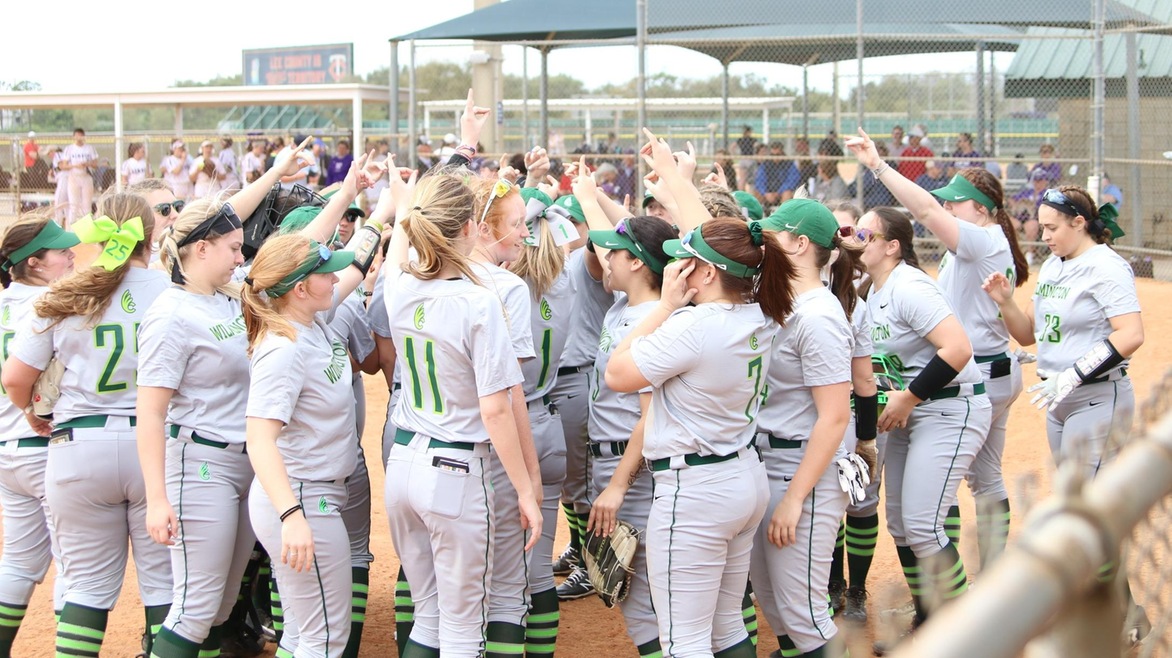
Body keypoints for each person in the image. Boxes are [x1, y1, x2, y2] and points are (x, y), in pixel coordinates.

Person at [605, 130, 796, 658]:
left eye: (686, 261)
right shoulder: (761, 309)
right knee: (726, 627)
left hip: (695, 493)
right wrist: (673, 178)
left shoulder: (691, 327)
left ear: (707, 272)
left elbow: (617, 374)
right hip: (741, 476)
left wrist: (664, 306)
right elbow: (718, 241)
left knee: (685, 639)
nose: (677, 266)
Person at [134, 141, 317, 658]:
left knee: (216, 608)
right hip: (200, 465)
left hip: (242, 467)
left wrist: (337, 191)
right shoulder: (170, 314)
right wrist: (157, 497)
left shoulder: (227, 293)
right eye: (234, 249)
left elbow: (294, 259)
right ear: (200, 249)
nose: (242, 256)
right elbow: (149, 413)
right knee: (194, 606)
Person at [849, 127, 1031, 571]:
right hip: (987, 366)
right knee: (978, 482)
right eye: (948, 201)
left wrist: (878, 165)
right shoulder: (971, 249)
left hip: (970, 373)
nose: (948, 207)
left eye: (958, 202)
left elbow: (924, 210)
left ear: (983, 210)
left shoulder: (983, 238)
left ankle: (970, 589)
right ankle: (981, 583)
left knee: (939, 494)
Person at [3, 193, 173, 657]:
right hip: (154, 448)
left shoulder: (65, 292)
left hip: (78, 444)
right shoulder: (170, 292)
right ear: (149, 236)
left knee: (85, 589)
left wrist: (35, 413)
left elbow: (15, 379)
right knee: (164, 584)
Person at [381, 170, 542, 658]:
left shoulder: (400, 286)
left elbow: (398, 248)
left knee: (427, 616)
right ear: (471, 227)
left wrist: (404, 202)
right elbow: (497, 409)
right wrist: (524, 488)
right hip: (456, 470)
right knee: (462, 626)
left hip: (403, 461)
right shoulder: (480, 301)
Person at [239, 146, 381, 656]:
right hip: (302, 498)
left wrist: (357, 196)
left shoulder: (310, 318)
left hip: (313, 494)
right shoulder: (283, 348)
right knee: (324, 637)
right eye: (325, 272)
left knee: (304, 634)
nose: (334, 275)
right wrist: (291, 515)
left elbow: (354, 265)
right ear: (300, 289)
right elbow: (260, 440)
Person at [850, 205, 992, 654]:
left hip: (950, 409)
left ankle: (965, 632)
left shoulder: (910, 285)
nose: (856, 240)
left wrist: (909, 396)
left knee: (924, 525)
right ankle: (930, 619)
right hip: (915, 412)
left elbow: (959, 347)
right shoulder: (874, 289)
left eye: (864, 235)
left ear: (892, 246)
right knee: (903, 527)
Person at [749, 199, 866, 658]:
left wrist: (796, 497)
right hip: (772, 461)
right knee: (777, 606)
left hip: (802, 471)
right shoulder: (786, 298)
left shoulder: (818, 315)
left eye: (774, 235)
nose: (764, 242)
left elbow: (835, 416)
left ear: (800, 245)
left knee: (804, 612)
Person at [983, 186, 1142, 478]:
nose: (1044, 236)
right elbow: (1028, 333)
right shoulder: (1053, 265)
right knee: (1075, 498)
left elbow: (1131, 334)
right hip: (1057, 399)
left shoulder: (1106, 267)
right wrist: (1005, 302)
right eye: (1042, 227)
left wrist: (1073, 375)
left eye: (1052, 228)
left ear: (1079, 223)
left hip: (1097, 396)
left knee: (1082, 500)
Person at [576, 205, 676, 657]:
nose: (605, 258)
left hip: (634, 473)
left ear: (637, 262)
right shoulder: (622, 305)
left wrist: (618, 485)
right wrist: (585, 190)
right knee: (641, 597)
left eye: (616, 252)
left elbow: (650, 415)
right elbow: (600, 248)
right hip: (609, 462)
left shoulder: (650, 320)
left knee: (642, 599)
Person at [0, 215, 79, 655]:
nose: (71, 256)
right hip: (45, 443)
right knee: (77, 564)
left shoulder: (4, 302)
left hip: (7, 453)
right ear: (34, 263)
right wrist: (30, 411)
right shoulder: (51, 302)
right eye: (60, 251)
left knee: (19, 560)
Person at [62, 128, 98, 225]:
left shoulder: (89, 148)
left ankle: (88, 227)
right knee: (74, 204)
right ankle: (71, 228)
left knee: (87, 205)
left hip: (86, 176)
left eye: (81, 136)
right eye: (77, 136)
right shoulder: (69, 149)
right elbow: (63, 165)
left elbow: (95, 164)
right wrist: (74, 165)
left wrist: (87, 164)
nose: (79, 138)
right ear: (74, 137)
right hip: (74, 176)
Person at [755, 143, 801, 208]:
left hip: (782, 192)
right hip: (768, 193)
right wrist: (765, 193)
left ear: (782, 153)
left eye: (778, 155)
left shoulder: (789, 164)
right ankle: (761, 214)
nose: (775, 157)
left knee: (787, 193)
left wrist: (778, 193)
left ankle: (782, 215)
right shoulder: (766, 164)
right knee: (757, 192)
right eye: (773, 155)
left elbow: (792, 181)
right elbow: (759, 181)